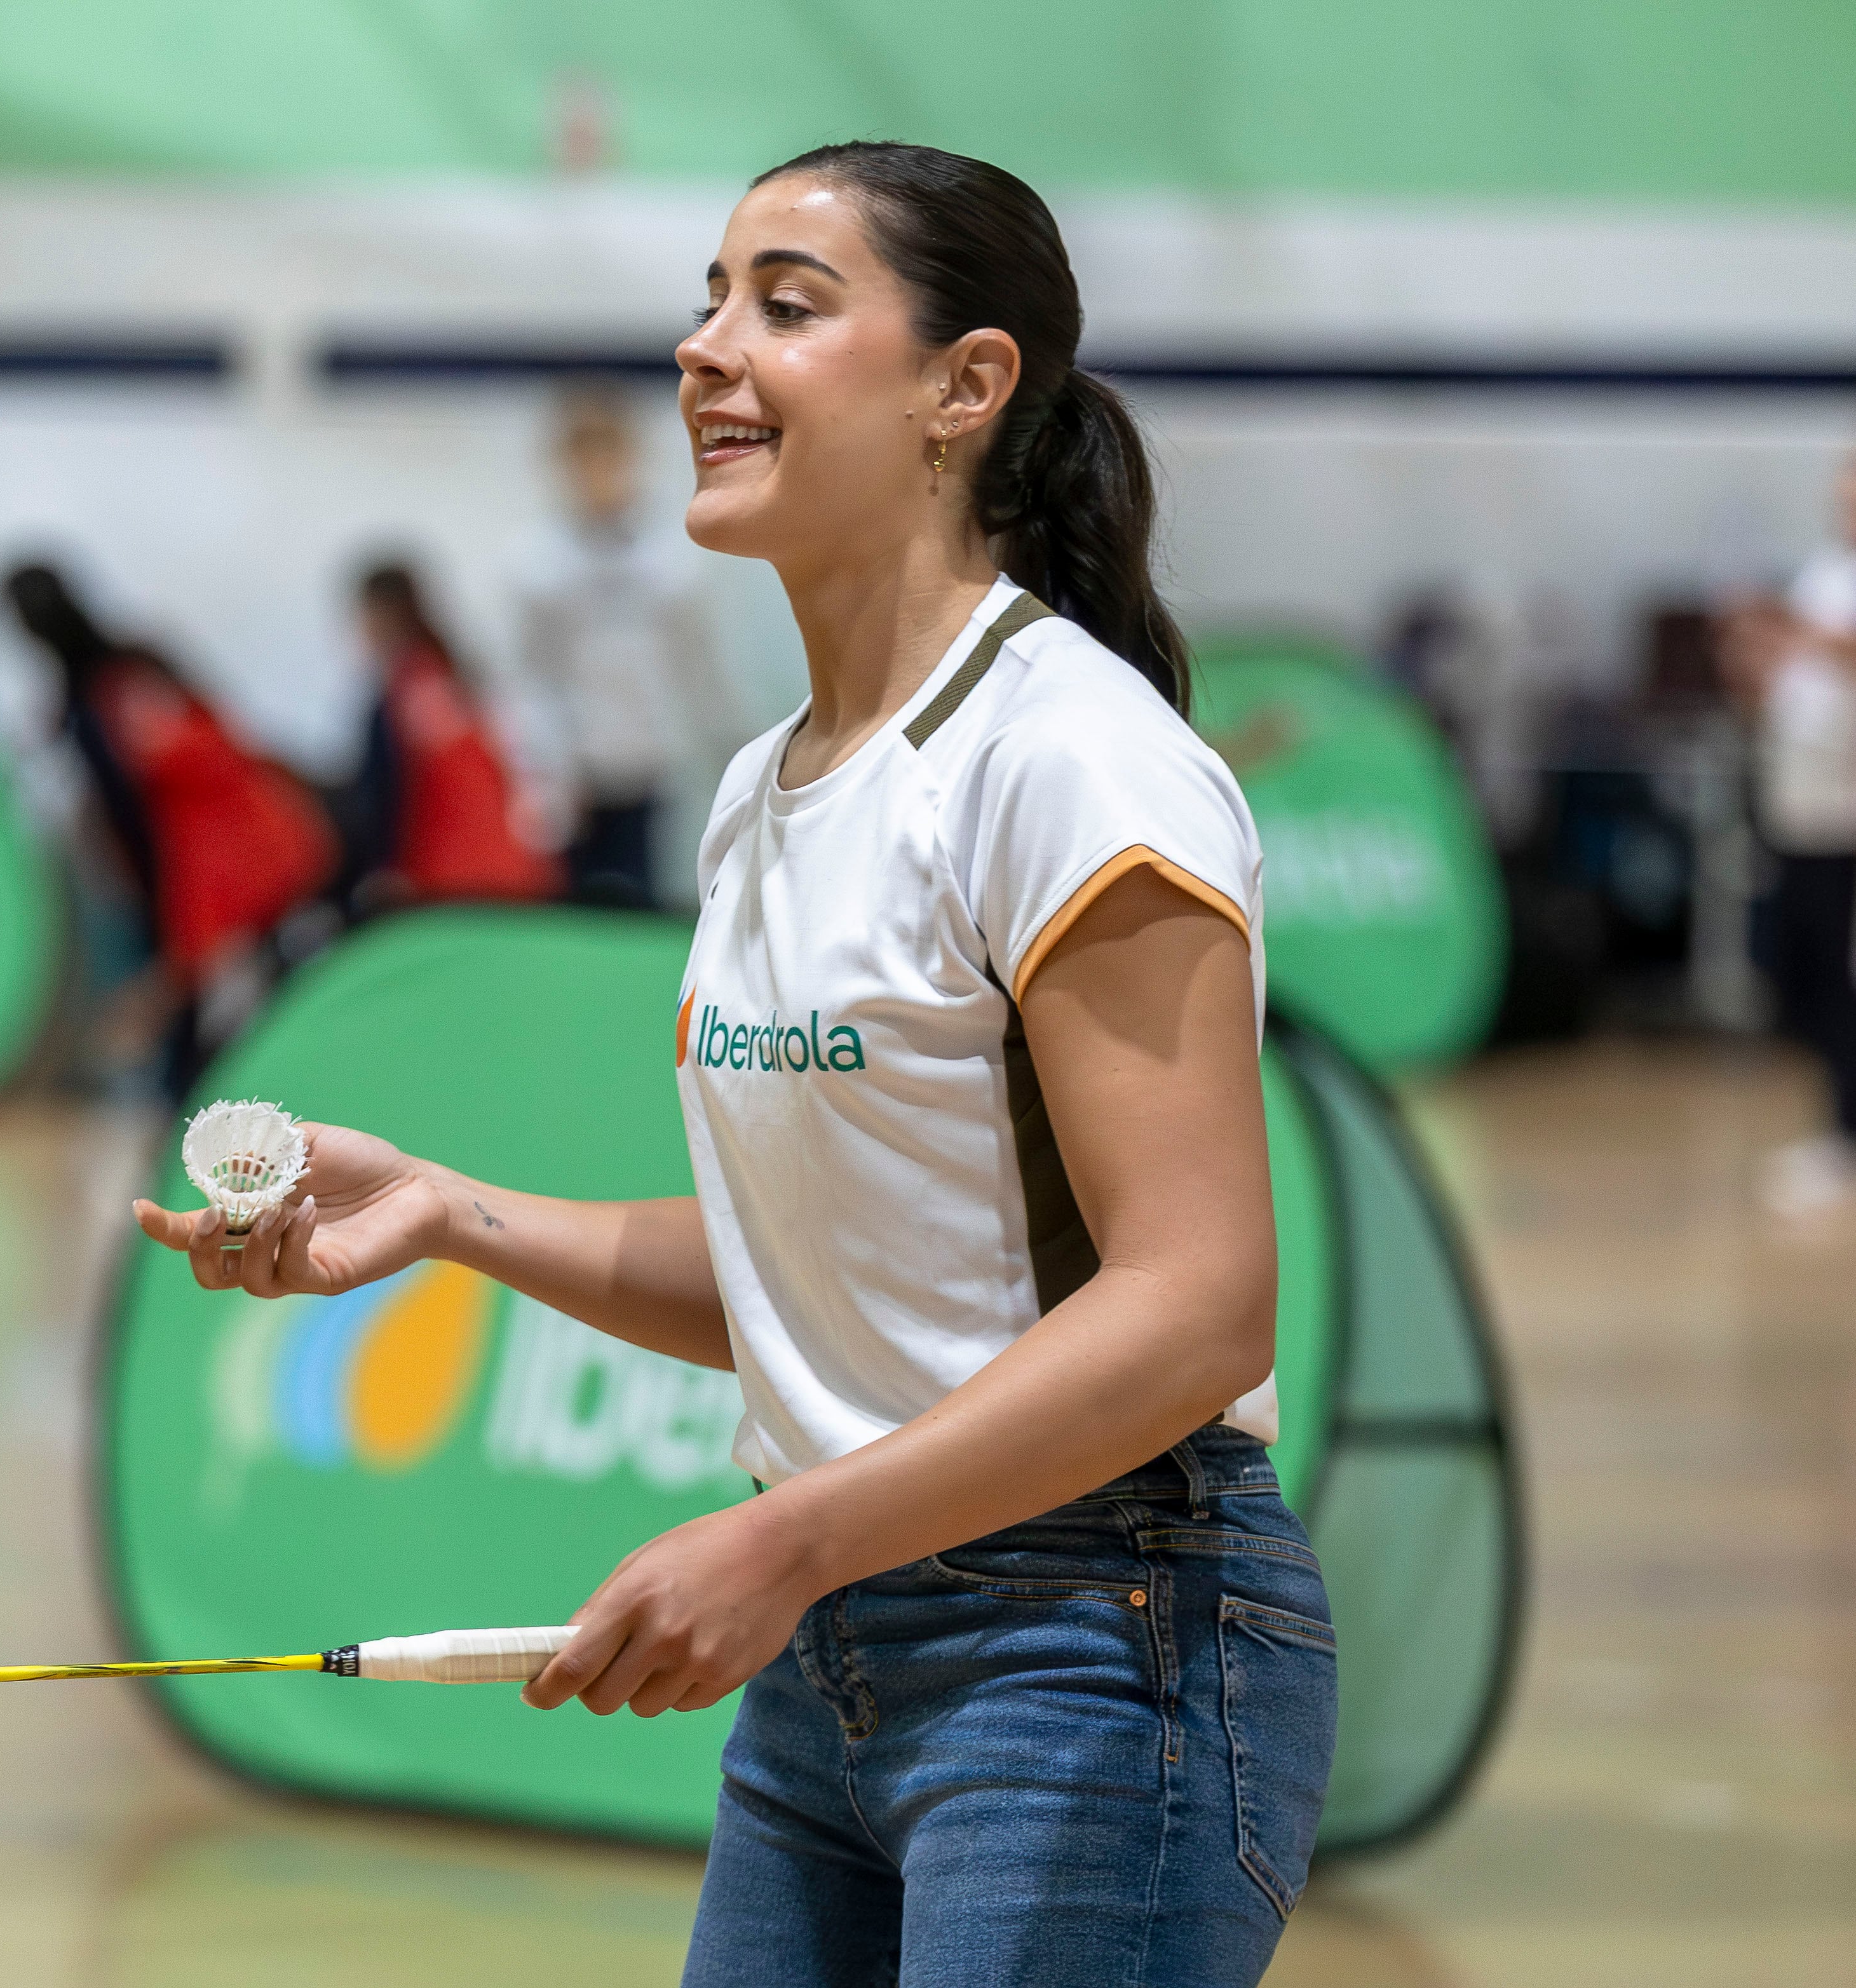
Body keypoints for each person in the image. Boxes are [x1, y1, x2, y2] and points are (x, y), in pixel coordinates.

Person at [135, 143, 1329, 1986]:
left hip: (1092, 1652)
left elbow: (1196, 1306)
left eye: (782, 303)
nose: (703, 349)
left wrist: (782, 1546)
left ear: (965, 385)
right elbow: (832, 1281)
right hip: (836, 1663)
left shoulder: (1067, 757)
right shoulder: (758, 789)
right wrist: (449, 1213)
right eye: (705, 298)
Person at [1, 563, 335, 1097]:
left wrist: (157, 984)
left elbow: (177, 817)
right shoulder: (123, 676)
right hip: (242, 863)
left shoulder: (110, 702)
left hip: (233, 877)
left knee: (220, 1044)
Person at [515, 383, 724, 907]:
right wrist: (548, 771)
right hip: (577, 781)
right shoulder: (538, 565)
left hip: (651, 771)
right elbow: (532, 679)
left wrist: (725, 756)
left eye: (608, 454)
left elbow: (698, 672)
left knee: (644, 910)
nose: (597, 472)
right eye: (583, 457)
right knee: (575, 916)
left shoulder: (671, 562)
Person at [1722, 450, 1856, 1219]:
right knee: (1801, 977)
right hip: (1798, 809)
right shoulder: (1822, 576)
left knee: (1843, 985)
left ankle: (1846, 1130)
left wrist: (1797, 632)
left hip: (1846, 817)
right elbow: (1789, 676)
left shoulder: (1822, 600)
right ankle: (1835, 1121)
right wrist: (1753, 655)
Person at [344, 560, 558, 909]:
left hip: (449, 877)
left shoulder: (401, 692)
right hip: (514, 865)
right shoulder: (456, 677)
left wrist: (384, 870)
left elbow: (387, 794)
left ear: (377, 615)